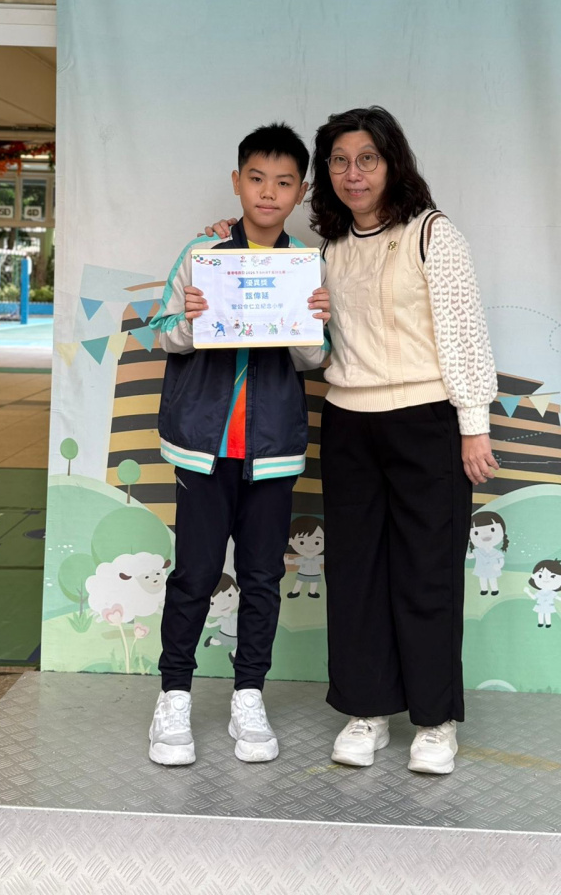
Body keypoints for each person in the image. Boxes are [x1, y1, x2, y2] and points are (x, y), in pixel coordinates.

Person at [313, 106, 498, 777]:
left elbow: (464, 330)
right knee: (355, 573)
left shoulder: (432, 234)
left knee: (427, 571)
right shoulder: (329, 249)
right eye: (339, 161)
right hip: (347, 422)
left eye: (367, 159)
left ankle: (435, 721)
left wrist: (473, 424)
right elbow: (311, 341)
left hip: (426, 421)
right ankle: (366, 711)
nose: (353, 173)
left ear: (393, 163)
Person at [146, 123, 330, 767]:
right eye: (256, 178)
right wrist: (191, 320)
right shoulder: (204, 252)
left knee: (261, 577)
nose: (268, 192)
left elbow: (315, 359)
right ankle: (173, 696)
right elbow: (162, 333)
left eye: (284, 182)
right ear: (237, 182)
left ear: (301, 192)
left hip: (272, 446)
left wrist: (313, 321)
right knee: (195, 574)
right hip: (204, 447)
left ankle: (248, 695)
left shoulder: (306, 263)